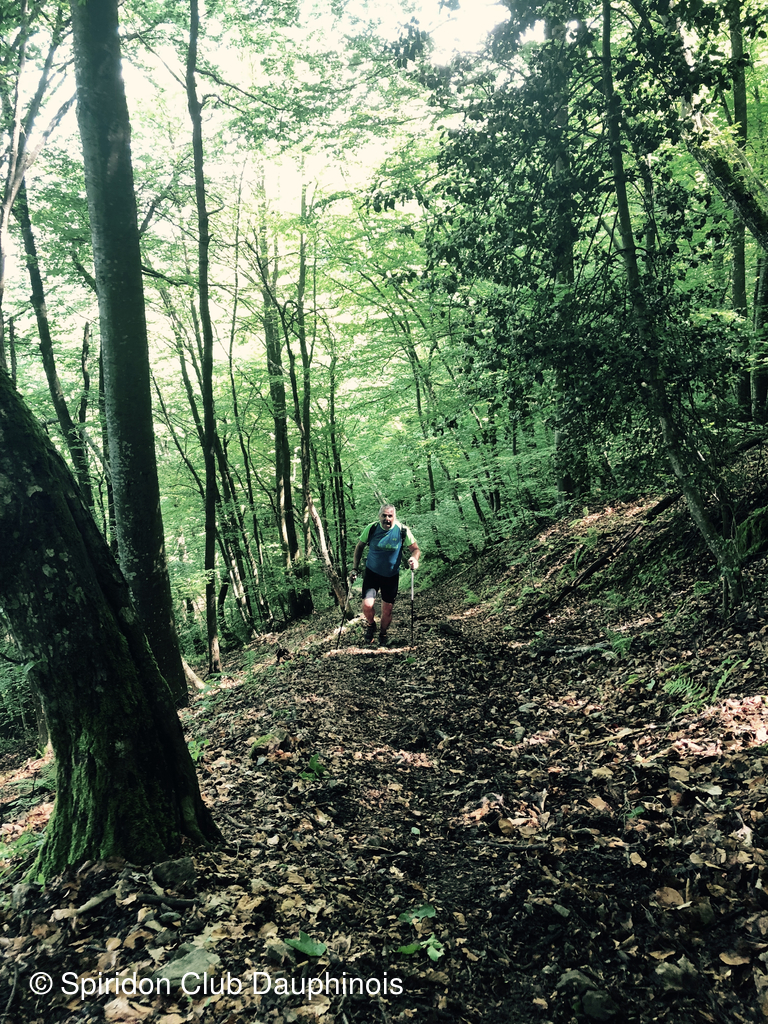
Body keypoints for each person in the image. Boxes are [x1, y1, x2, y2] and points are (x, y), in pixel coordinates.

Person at [350, 504, 420, 644]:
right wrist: (355, 568)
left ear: (394, 517)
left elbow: (415, 549)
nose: (387, 519)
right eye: (384, 515)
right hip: (372, 574)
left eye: (390, 516)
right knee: (367, 605)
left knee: (387, 610)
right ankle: (371, 625)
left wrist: (414, 559)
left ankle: (383, 634)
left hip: (391, 576)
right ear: (379, 516)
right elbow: (359, 547)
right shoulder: (371, 528)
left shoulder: (402, 530)